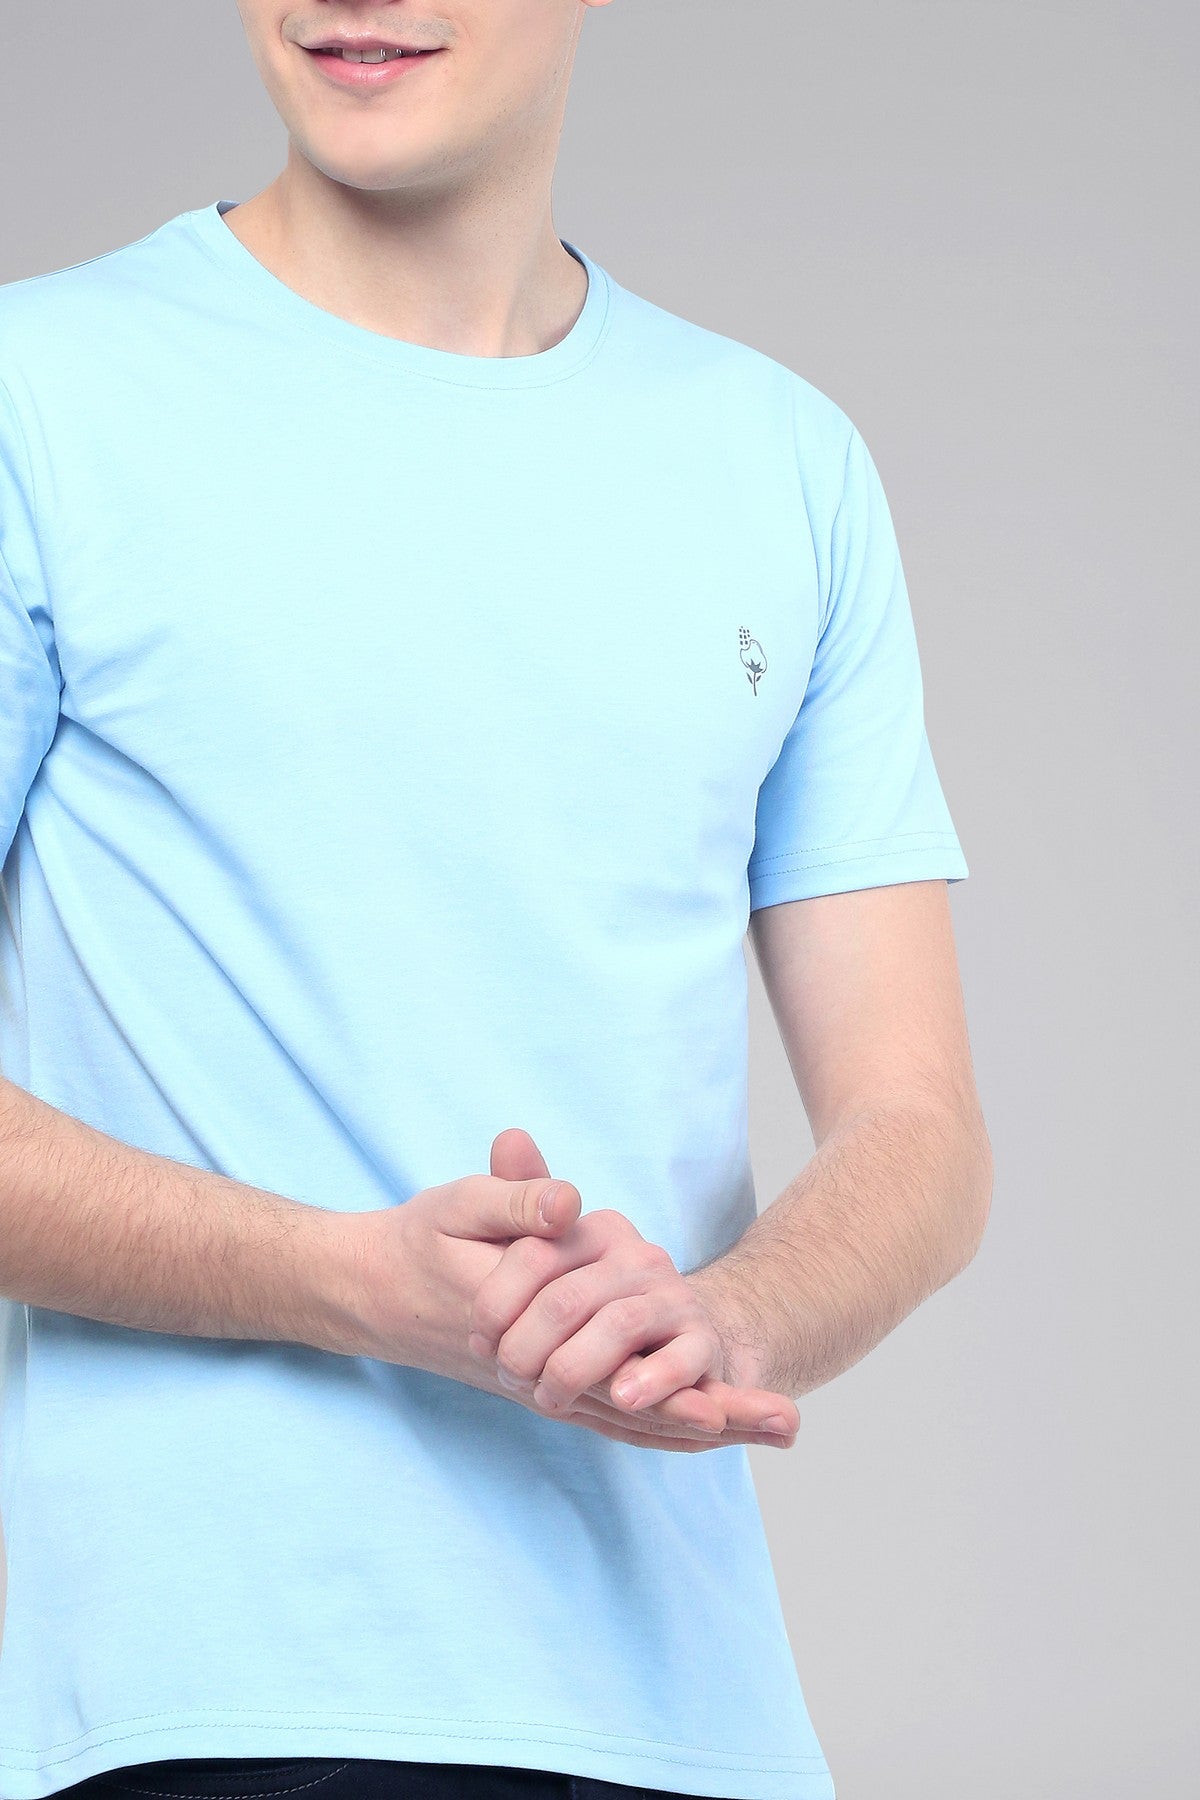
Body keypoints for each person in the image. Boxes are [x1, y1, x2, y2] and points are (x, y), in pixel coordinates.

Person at [0, 4, 993, 1799]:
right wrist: (344, 1281)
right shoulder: (40, 398)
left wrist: (738, 1316)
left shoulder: (781, 459)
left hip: (691, 1723)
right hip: (204, 1707)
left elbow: (918, 1128)